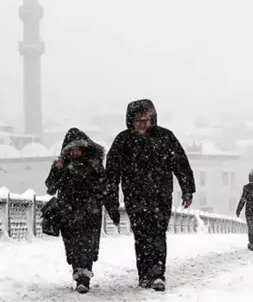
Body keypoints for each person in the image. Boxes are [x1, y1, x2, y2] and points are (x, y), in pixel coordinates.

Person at [105, 99, 195, 292]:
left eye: (146, 120)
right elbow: (111, 173)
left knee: (158, 234)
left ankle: (157, 274)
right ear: (131, 121)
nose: (143, 125)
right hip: (135, 196)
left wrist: (188, 189)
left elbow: (180, 164)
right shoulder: (123, 141)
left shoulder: (165, 137)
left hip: (160, 196)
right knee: (141, 235)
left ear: (152, 119)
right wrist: (110, 198)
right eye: (139, 121)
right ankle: (144, 275)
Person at [45, 127, 120, 294]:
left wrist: (112, 209)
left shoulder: (94, 165)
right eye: (71, 149)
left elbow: (105, 188)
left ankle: (84, 277)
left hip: (90, 212)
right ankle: (78, 273)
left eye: (78, 148)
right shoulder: (62, 166)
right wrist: (57, 169)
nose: (75, 152)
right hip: (68, 212)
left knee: (87, 245)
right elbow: (50, 187)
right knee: (72, 246)